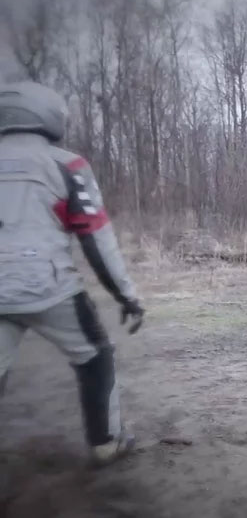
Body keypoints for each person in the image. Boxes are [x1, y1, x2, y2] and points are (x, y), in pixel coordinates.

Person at [0, 81, 145, 467]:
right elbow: (96, 239)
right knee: (96, 355)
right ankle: (106, 442)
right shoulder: (65, 165)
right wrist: (126, 295)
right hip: (48, 284)